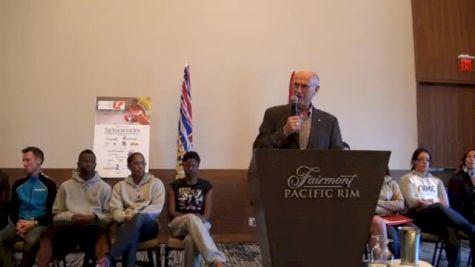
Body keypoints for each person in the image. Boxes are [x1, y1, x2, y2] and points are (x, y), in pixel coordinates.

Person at [400, 148, 475, 267]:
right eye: (421, 159)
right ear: (414, 161)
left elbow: (446, 204)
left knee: (450, 228)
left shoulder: (436, 180)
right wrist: (434, 202)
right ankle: (471, 229)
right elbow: (412, 202)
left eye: (428, 160)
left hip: (436, 217)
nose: (425, 162)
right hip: (417, 216)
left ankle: (453, 265)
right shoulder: (407, 178)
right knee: (438, 207)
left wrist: (427, 201)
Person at [36, 149, 112, 267]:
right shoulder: (65, 186)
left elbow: (108, 216)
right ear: (78, 164)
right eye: (85, 161)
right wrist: (72, 216)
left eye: (91, 161)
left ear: (95, 165)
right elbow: (56, 214)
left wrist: (94, 217)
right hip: (69, 225)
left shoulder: (104, 187)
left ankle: (101, 264)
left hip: (92, 225)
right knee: (48, 234)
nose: (88, 164)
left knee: (101, 234)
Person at [253, 70, 343, 150]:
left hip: (315, 169)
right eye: (296, 85)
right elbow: (258, 148)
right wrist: (284, 132)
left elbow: (337, 157)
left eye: (304, 86)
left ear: (316, 89)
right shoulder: (273, 114)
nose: (298, 90)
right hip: (282, 169)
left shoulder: (330, 122)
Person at [0, 147, 57, 267]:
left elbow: (51, 214)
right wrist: (18, 223)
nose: (24, 163)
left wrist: (33, 223)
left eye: (27, 160)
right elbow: (13, 209)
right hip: (19, 223)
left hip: (39, 224)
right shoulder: (18, 183)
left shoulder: (50, 185)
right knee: (1, 237)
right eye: (23, 160)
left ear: (38, 161)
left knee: (30, 241)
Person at [105, 152, 165, 266]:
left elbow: (156, 208)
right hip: (127, 224)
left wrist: (134, 214)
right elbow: (115, 210)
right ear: (129, 166)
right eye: (136, 163)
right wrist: (124, 217)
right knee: (132, 233)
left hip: (149, 227)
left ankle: (111, 256)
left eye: (142, 163)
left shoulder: (156, 183)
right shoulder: (120, 186)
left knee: (138, 219)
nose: (140, 166)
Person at [168, 151, 226, 267]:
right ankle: (216, 260)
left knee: (191, 240)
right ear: (183, 166)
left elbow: (207, 214)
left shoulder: (206, 186)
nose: (190, 169)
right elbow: (172, 211)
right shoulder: (174, 185)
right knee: (190, 217)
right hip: (179, 225)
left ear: (198, 166)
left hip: (200, 223)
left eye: (193, 166)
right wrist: (189, 217)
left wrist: (200, 218)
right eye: (187, 166)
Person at [448, 148, 475, 264]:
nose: (472, 159)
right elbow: (454, 203)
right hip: (462, 215)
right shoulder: (457, 178)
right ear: (464, 160)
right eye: (469, 156)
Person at [370, 169, 405, 258]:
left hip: (394, 218)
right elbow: (368, 206)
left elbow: (400, 204)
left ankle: (407, 261)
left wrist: (378, 202)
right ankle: (395, 263)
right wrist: (389, 208)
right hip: (377, 219)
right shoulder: (366, 182)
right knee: (394, 239)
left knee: (413, 230)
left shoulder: (392, 183)